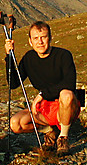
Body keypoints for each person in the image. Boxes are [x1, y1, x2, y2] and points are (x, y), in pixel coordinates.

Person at [5, 21, 80, 156]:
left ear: (50, 38)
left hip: (67, 106)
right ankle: (50, 131)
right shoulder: (29, 58)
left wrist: (42, 95)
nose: (40, 42)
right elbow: (13, 83)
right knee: (16, 123)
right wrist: (9, 56)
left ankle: (63, 138)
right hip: (46, 108)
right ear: (30, 41)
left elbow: (70, 84)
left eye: (43, 37)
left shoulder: (64, 55)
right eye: (35, 38)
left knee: (66, 94)